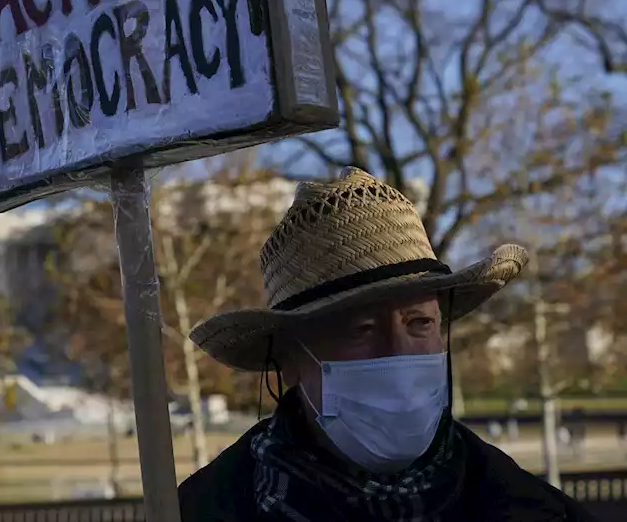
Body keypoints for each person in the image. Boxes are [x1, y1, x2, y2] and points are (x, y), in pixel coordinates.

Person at [178, 168, 595, 521]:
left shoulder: (534, 509)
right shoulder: (194, 510)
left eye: (420, 323)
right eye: (361, 329)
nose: (400, 352)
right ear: (288, 361)